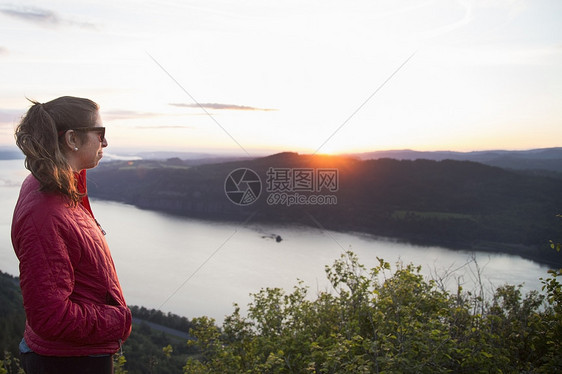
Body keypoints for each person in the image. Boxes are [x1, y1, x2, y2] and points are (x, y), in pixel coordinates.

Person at [11, 96, 132, 374]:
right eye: (100, 133)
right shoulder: (45, 212)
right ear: (72, 139)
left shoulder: (56, 186)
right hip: (68, 362)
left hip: (73, 355)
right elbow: (51, 318)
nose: (105, 143)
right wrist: (118, 321)